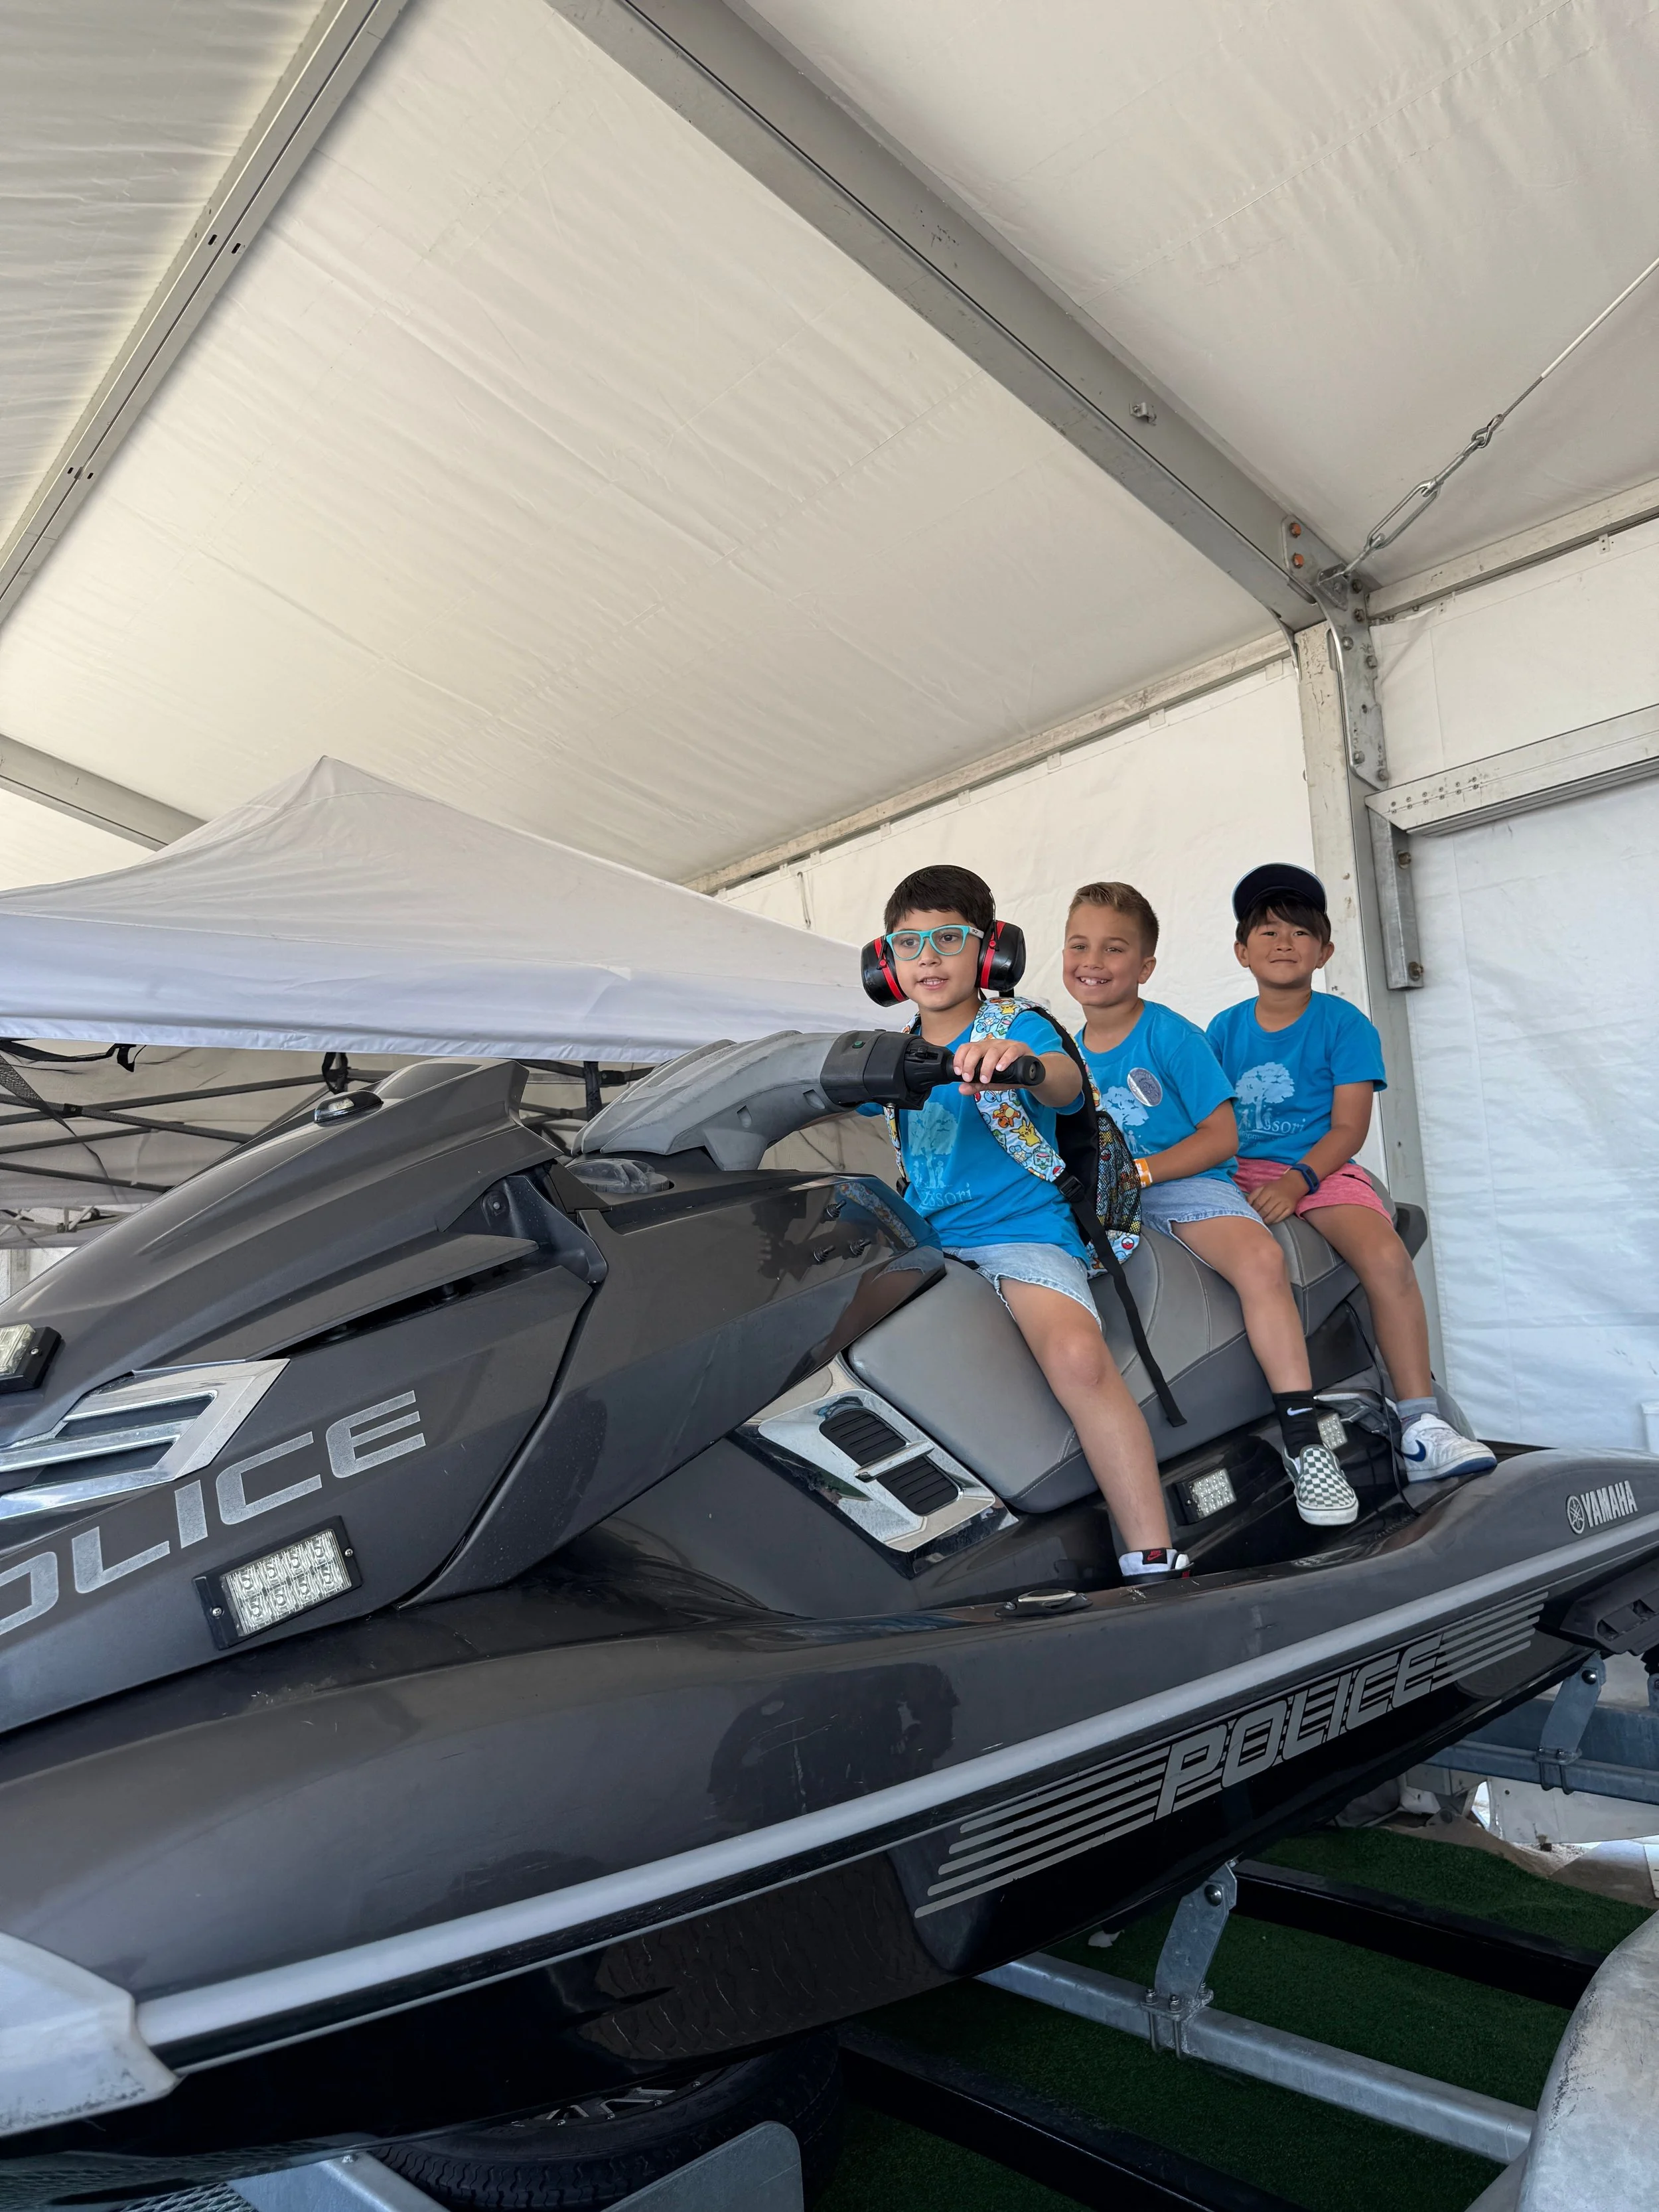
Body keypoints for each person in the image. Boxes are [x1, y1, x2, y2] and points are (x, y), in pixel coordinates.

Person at [871, 863, 1187, 1580]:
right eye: (908, 942)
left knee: (1077, 1357)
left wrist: (1027, 1064)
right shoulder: (888, 1053)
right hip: (925, 1240)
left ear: (989, 953)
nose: (927, 956)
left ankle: (1152, 1551)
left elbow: (1069, 1084)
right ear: (884, 962)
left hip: (1019, 1234)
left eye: (949, 939)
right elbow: (826, 1096)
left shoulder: (1018, 1024)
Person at [1065, 881, 1360, 1526]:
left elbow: (1220, 1137)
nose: (1092, 959)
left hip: (1183, 1185)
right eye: (1078, 944)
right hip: (1110, 1200)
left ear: (1143, 967)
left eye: (1113, 948)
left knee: (1257, 1258)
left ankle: (1306, 1441)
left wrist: (1138, 1173)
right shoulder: (1060, 1053)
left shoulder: (1171, 1037)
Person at [1207, 863, 1496, 1486]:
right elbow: (1207, 1119)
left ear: (1325, 949)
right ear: (1240, 950)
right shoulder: (1222, 1030)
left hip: (1319, 1169)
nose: (1284, 942)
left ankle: (1421, 1424)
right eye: (1267, 931)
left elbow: (1348, 1128)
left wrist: (1295, 1183)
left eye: (1300, 932)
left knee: (1386, 1259)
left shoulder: (1343, 1025)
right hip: (1233, 1170)